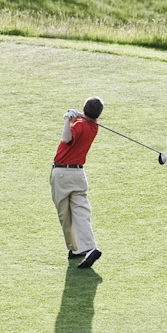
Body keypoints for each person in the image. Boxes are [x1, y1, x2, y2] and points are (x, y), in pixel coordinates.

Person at [52, 97, 104, 270]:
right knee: (81, 212)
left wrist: (67, 118)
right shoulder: (93, 126)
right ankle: (89, 247)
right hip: (79, 175)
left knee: (64, 214)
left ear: (84, 108)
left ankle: (75, 248)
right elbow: (86, 119)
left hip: (62, 174)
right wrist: (77, 115)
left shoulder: (79, 126)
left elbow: (66, 139)